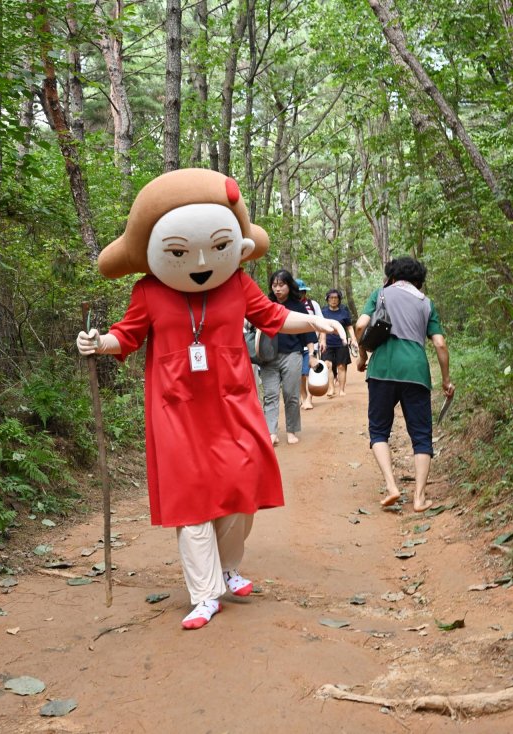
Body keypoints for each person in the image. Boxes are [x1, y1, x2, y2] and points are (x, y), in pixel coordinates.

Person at [75, 169, 346, 630]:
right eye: (180, 252)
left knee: (242, 491)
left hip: (233, 402)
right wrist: (99, 343)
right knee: (192, 501)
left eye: (215, 247)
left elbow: (274, 317)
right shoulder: (149, 290)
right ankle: (203, 592)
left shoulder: (237, 283)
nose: (199, 262)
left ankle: (227, 566)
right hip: (176, 408)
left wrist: (317, 324)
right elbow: (128, 335)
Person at [355, 257, 455, 513]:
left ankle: (391, 487)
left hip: (382, 370)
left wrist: (363, 356)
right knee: (421, 436)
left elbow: (360, 325)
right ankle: (420, 499)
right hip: (416, 372)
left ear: (392, 275)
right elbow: (440, 344)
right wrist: (446, 380)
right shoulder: (426, 303)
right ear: (418, 279)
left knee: (379, 431)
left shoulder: (380, 294)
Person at [261, 271, 318, 445]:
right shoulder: (266, 305)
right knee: (270, 395)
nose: (277, 289)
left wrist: (312, 356)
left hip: (292, 355)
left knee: (291, 394)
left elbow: (308, 332)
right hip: (267, 356)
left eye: (281, 285)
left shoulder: (298, 307)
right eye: (274, 285)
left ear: (289, 286)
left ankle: (291, 431)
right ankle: (271, 432)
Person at [320, 289, 357, 397]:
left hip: (342, 342)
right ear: (327, 299)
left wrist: (353, 339)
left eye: (336, 298)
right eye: (331, 298)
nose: (333, 300)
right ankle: (331, 388)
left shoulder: (344, 313)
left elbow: (349, 327)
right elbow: (322, 328)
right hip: (328, 343)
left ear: (339, 299)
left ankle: (342, 389)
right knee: (327, 365)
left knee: (341, 366)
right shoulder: (323, 313)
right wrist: (323, 340)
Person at [296, 278, 322, 410]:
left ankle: (309, 399)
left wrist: (323, 340)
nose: (299, 294)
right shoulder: (291, 305)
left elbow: (321, 322)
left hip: (312, 343)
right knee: (300, 373)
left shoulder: (313, 305)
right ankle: (303, 396)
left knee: (309, 372)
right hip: (296, 344)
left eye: (301, 292)